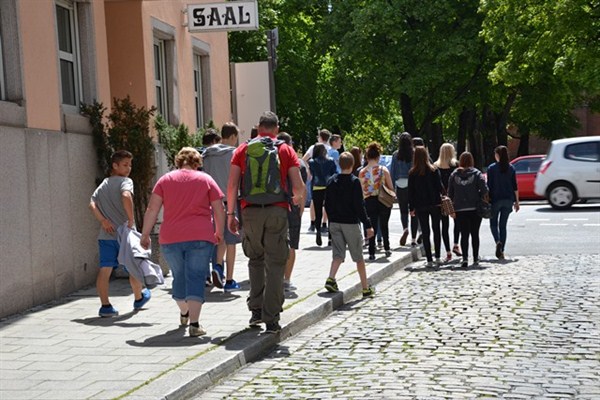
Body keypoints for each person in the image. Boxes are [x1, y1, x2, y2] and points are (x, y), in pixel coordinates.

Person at [226, 111, 304, 334]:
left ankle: (256, 311)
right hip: (277, 211)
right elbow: (298, 186)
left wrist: (230, 214)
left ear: (258, 127)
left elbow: (232, 185)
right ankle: (272, 318)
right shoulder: (285, 149)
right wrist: (296, 202)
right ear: (276, 129)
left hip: (249, 212)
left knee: (255, 260)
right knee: (276, 263)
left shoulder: (243, 149)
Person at [140, 147, 224, 337]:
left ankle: (184, 311)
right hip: (200, 236)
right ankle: (194, 324)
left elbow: (152, 209)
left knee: (179, 276)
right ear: (197, 163)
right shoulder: (206, 179)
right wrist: (219, 231)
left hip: (171, 237)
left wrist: (145, 234)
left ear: (178, 162)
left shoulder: (165, 180)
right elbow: (218, 208)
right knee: (196, 276)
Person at [89, 150, 151, 317]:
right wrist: (131, 219)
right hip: (125, 235)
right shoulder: (126, 181)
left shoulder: (104, 183)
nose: (129, 168)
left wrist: (103, 220)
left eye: (130, 165)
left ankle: (105, 306)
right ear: (115, 165)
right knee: (133, 266)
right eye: (125, 165)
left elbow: (92, 204)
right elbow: (125, 195)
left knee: (105, 269)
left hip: (106, 235)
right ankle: (138, 298)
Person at [324, 152, 375, 297]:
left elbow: (327, 203)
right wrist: (368, 224)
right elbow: (359, 206)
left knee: (338, 254)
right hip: (350, 223)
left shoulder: (331, 181)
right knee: (358, 257)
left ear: (339, 164)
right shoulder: (354, 182)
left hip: (335, 222)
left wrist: (331, 218)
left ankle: (331, 278)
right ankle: (365, 288)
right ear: (352, 165)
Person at [202, 122, 242, 292]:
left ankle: (217, 266)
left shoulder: (206, 154)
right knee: (231, 240)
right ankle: (230, 280)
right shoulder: (234, 154)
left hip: (212, 202)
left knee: (219, 237)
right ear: (232, 136)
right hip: (230, 201)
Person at [277, 132, 308, 294]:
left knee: (275, 243)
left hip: (275, 206)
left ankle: (274, 278)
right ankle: (286, 280)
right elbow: (302, 189)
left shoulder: (274, 160)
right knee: (292, 245)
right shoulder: (299, 164)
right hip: (292, 206)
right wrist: (300, 210)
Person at [448, 152, 489, 268]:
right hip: (475, 207)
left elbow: (450, 193)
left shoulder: (454, 175)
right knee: (475, 234)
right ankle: (475, 258)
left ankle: (465, 258)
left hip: (460, 209)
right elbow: (485, 189)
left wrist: (452, 208)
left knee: (464, 234)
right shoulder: (477, 173)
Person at [408, 146, 444, 268]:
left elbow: (411, 192)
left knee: (425, 231)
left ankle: (429, 259)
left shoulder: (412, 173)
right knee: (436, 230)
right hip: (434, 204)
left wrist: (411, 208)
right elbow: (440, 187)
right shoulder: (434, 170)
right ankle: (437, 256)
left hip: (420, 205)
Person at [358, 142, 395, 260]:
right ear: (378, 157)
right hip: (383, 199)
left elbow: (361, 190)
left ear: (367, 157)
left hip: (369, 201)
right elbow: (391, 187)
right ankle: (387, 248)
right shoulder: (383, 170)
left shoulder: (362, 172)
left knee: (371, 225)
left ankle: (371, 251)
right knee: (384, 225)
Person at [487, 145, 520, 260]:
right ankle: (502, 251)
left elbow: (489, 185)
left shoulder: (491, 168)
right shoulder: (511, 168)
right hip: (508, 199)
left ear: (497, 155)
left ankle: (497, 242)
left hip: (495, 199)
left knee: (493, 224)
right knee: (503, 226)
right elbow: (515, 186)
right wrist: (517, 202)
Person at [390, 132, 419, 247]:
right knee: (414, 211)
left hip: (400, 184)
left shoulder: (395, 154)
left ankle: (405, 229)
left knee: (403, 210)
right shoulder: (414, 153)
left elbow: (392, 172)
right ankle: (413, 239)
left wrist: (392, 188)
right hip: (412, 184)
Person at [434, 143, 460, 261]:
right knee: (457, 222)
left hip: (441, 198)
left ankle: (448, 252)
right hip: (454, 197)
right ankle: (456, 244)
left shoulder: (435, 166)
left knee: (444, 226)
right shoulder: (456, 165)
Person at [303, 129, 332, 233]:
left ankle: (312, 223)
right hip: (327, 179)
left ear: (320, 137)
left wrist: (308, 170)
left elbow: (304, 159)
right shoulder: (330, 149)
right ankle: (324, 224)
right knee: (327, 202)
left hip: (315, 178)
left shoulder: (313, 147)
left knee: (313, 201)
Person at [308, 143, 337, 247]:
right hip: (328, 188)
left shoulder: (311, 162)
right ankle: (330, 238)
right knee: (330, 212)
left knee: (318, 212)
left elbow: (311, 176)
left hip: (317, 188)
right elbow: (335, 174)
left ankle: (318, 232)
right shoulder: (331, 161)